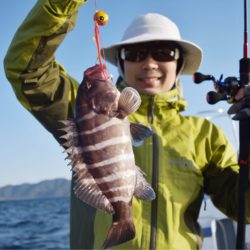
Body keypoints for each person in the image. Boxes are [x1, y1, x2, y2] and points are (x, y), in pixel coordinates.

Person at [4, 0, 250, 249]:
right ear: (120, 63)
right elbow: (26, 70)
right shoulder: (81, 111)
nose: (150, 63)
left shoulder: (205, 135)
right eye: (135, 54)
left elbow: (244, 208)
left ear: (180, 64)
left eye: (164, 53)